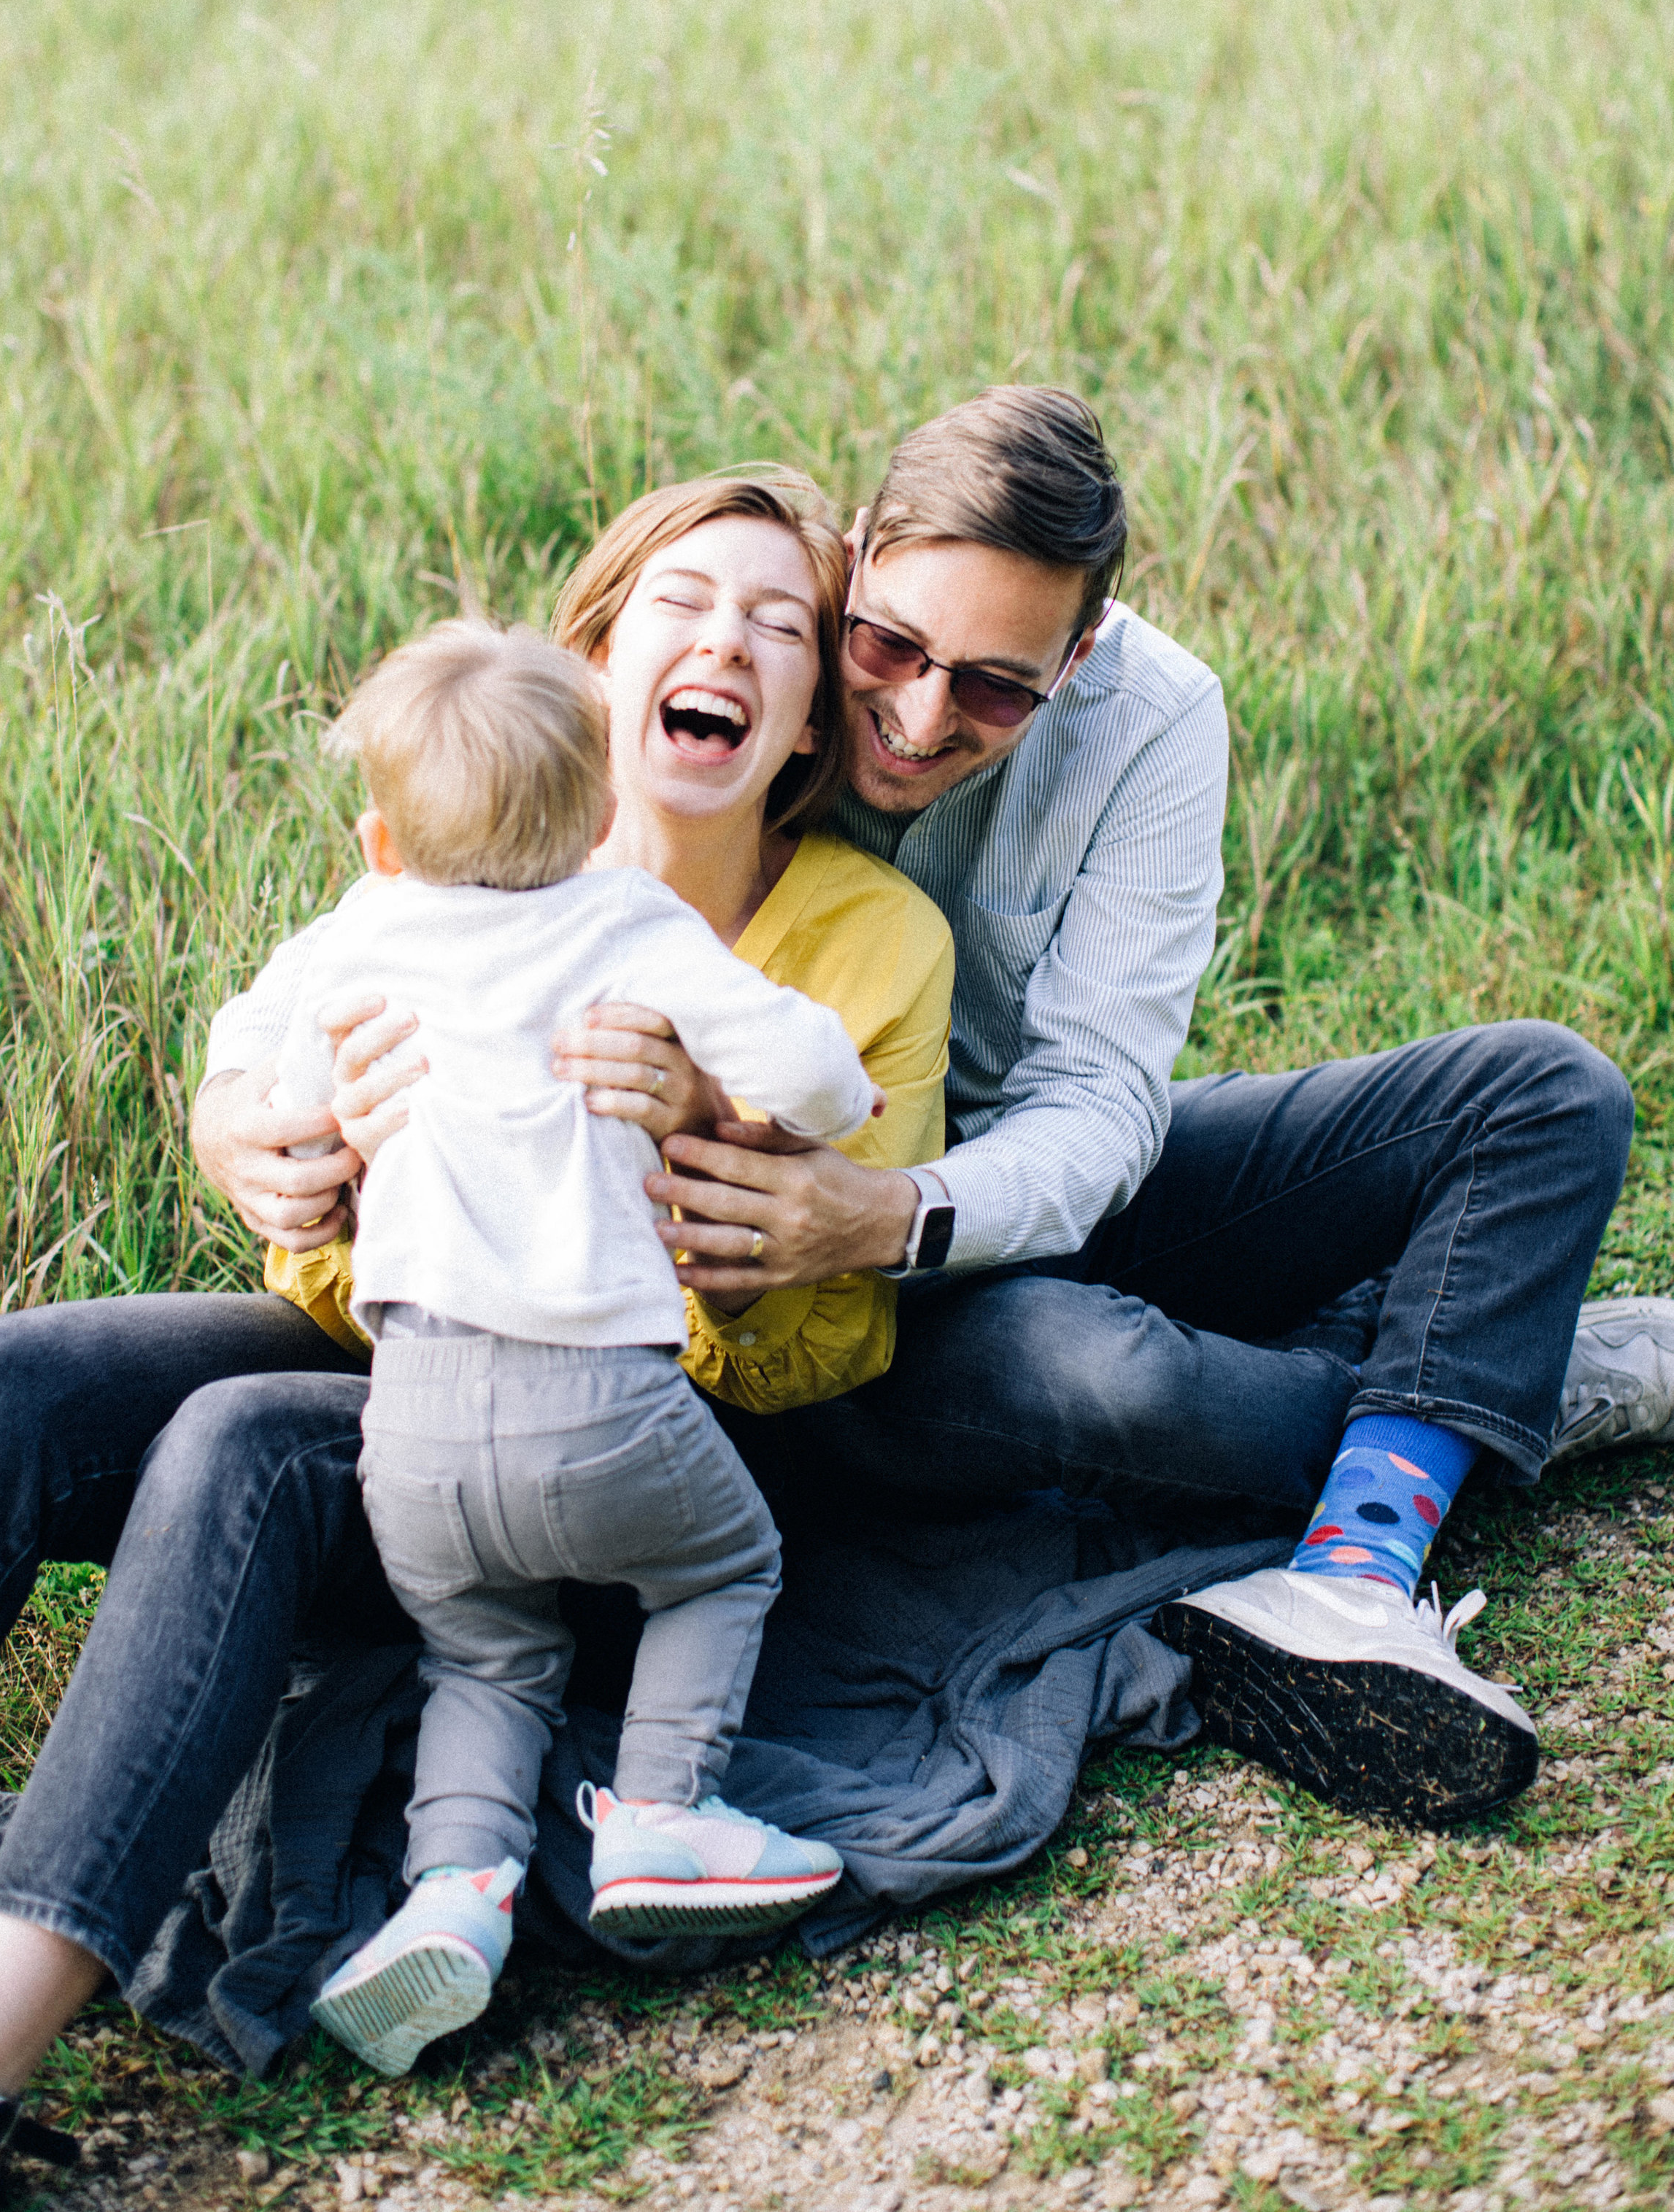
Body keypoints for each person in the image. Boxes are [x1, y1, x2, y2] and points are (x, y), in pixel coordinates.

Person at [0, 469, 953, 2212]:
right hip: (402, 1364)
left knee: (233, 1446)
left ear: (814, 707)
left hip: (637, 1444)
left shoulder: (866, 937)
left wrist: (708, 1147)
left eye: (780, 621)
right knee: (2, 1375)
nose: (726, 639)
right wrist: (264, 1148)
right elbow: (275, 1092)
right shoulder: (460, 852)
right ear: (590, 657)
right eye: (681, 597)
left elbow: (840, 1341)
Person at [590, 386, 1649, 1832]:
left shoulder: (1152, 713)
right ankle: (1488, 1390)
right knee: (1109, 1379)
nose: (912, 716)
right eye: (887, 646)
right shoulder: (744, 648)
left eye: (991, 688)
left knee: (1538, 1090)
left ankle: (1345, 1572)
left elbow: (1095, 1096)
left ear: (1075, 656)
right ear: (851, 556)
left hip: (977, 1199)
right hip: (825, 1311)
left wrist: (891, 1211)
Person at [260, 618, 876, 2070]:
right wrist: (777, 1091)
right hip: (598, 1398)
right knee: (723, 1564)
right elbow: (823, 1079)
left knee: (481, 1652)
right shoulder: (630, 920)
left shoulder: (363, 928)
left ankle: (452, 1894)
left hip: (407, 1417)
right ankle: (662, 1806)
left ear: (381, 839)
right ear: (606, 818)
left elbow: (293, 1093)